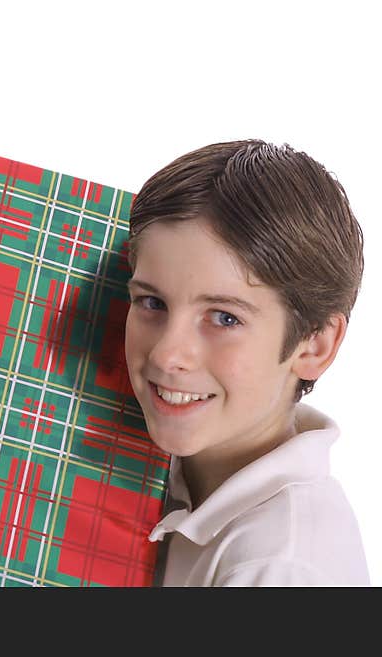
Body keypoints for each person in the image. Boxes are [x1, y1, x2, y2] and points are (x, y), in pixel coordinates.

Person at [123, 139, 370, 586]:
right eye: (152, 302)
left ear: (314, 346)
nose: (167, 354)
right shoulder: (169, 479)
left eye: (224, 317)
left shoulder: (278, 568)